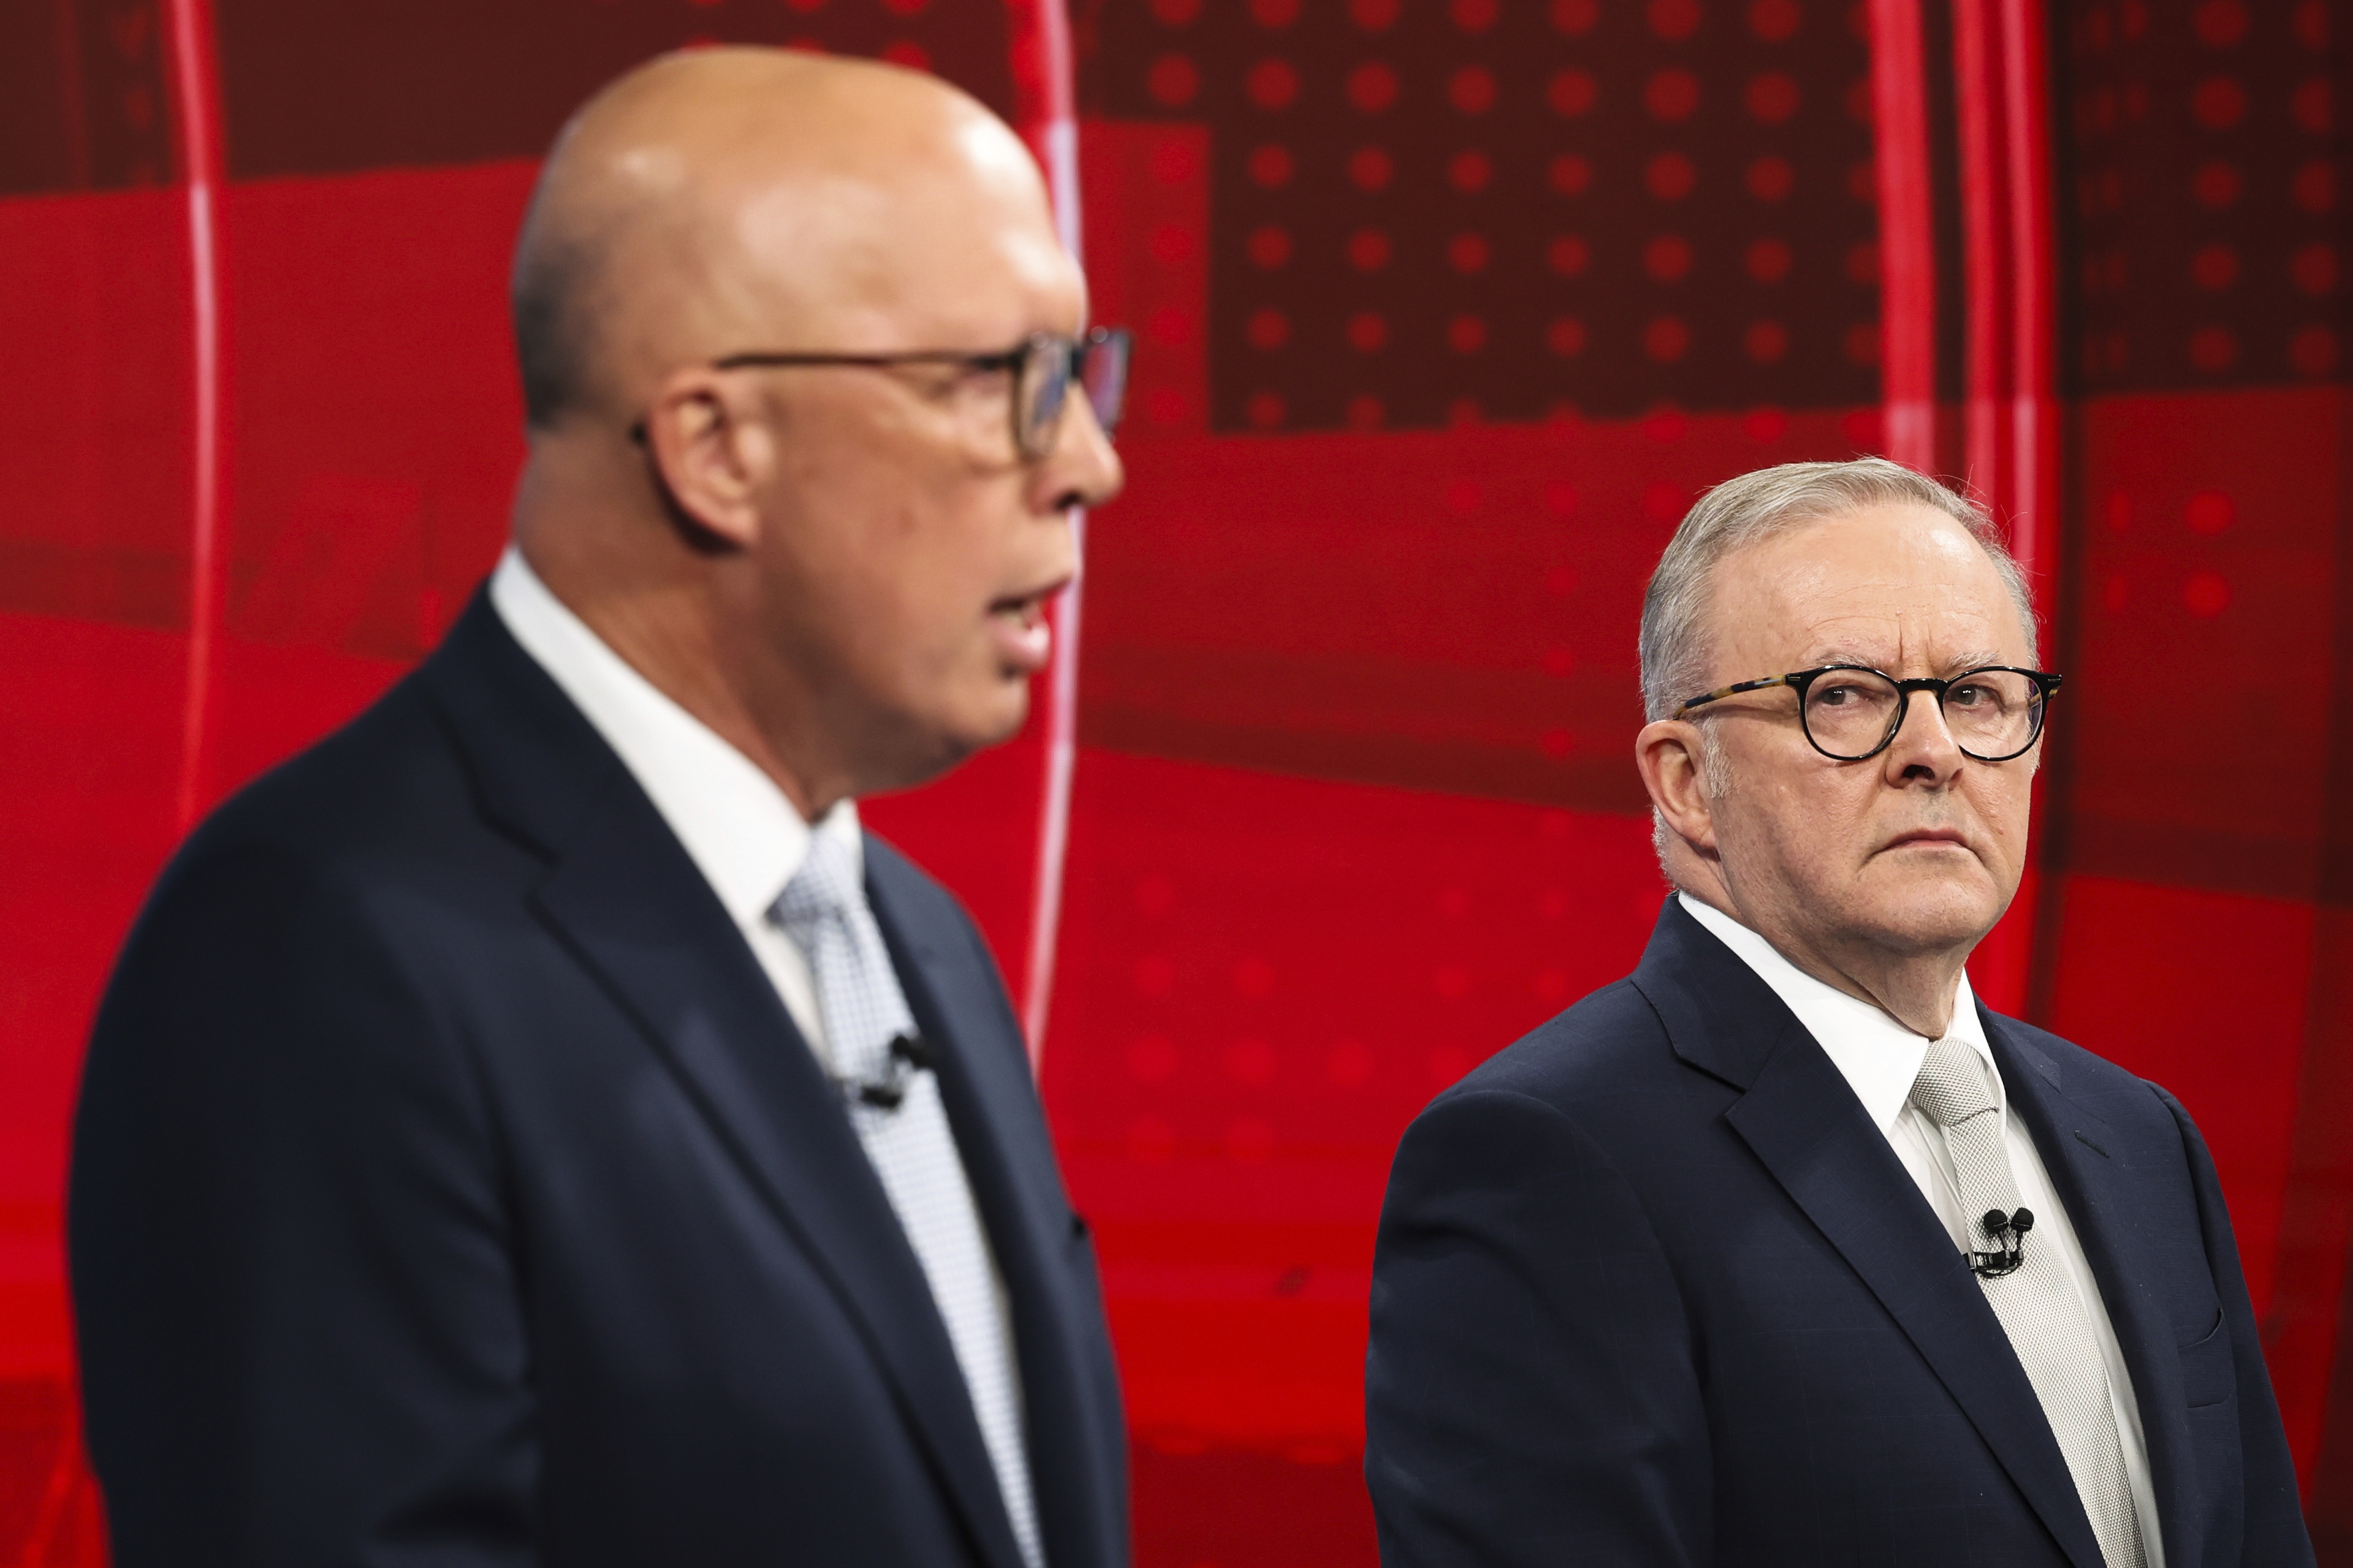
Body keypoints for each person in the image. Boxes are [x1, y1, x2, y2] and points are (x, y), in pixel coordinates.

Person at [70, 48, 1130, 1567]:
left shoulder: (920, 942)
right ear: (714, 448)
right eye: (996, 383)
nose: (1089, 461)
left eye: (1082, 375)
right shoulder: (313, 955)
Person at [1364, 459, 2312, 1567]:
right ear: (1684, 780)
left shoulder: (2142, 1138)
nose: (1935, 754)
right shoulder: (1546, 1160)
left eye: (1977, 695)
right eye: (1845, 697)